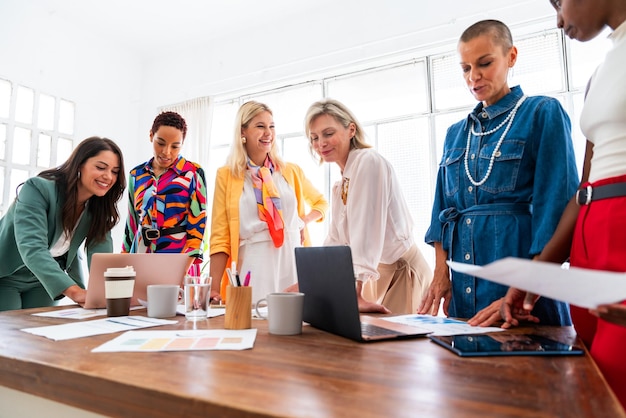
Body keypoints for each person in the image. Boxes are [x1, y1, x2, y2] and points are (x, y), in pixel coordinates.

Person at [501, 0, 626, 409]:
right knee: (591, 384)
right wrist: (539, 272)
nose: (558, 19)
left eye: (559, 2)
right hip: (590, 239)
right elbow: (584, 186)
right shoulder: (600, 73)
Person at [419, 19, 579, 326]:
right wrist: (441, 274)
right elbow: (442, 212)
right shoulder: (455, 134)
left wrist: (520, 293)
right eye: (465, 68)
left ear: (511, 57)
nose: (473, 77)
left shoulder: (542, 113)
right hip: (463, 296)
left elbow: (556, 212)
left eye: (485, 63)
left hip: (523, 296)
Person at [304, 98, 433, 314]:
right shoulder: (340, 185)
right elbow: (335, 241)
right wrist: (308, 283)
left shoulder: (368, 162)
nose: (320, 144)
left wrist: (356, 290)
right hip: (372, 276)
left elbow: (365, 232)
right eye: (314, 138)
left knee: (394, 346)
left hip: (401, 273)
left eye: (328, 134)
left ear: (351, 130)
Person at [209, 101, 327, 304]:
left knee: (297, 324)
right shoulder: (226, 175)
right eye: (260, 126)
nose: (268, 133)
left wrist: (303, 221)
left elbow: (321, 203)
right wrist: (213, 287)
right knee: (255, 324)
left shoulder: (291, 171)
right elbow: (220, 236)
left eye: (271, 126)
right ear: (242, 131)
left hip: (291, 259)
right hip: (254, 262)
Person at [0, 137, 125, 311]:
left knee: (40, 333)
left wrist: (111, 294)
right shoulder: (37, 188)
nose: (108, 176)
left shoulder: (99, 208)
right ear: (80, 164)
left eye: (115, 171)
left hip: (43, 281)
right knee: (9, 331)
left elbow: (101, 258)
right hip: (6, 275)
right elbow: (33, 248)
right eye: (101, 167)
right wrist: (75, 292)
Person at [122, 111, 207, 272]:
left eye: (175, 146)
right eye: (160, 143)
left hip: (179, 260)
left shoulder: (193, 173)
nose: (166, 152)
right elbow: (131, 224)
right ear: (151, 136)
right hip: (141, 258)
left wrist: (182, 271)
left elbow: (198, 228)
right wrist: (123, 267)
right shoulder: (136, 175)